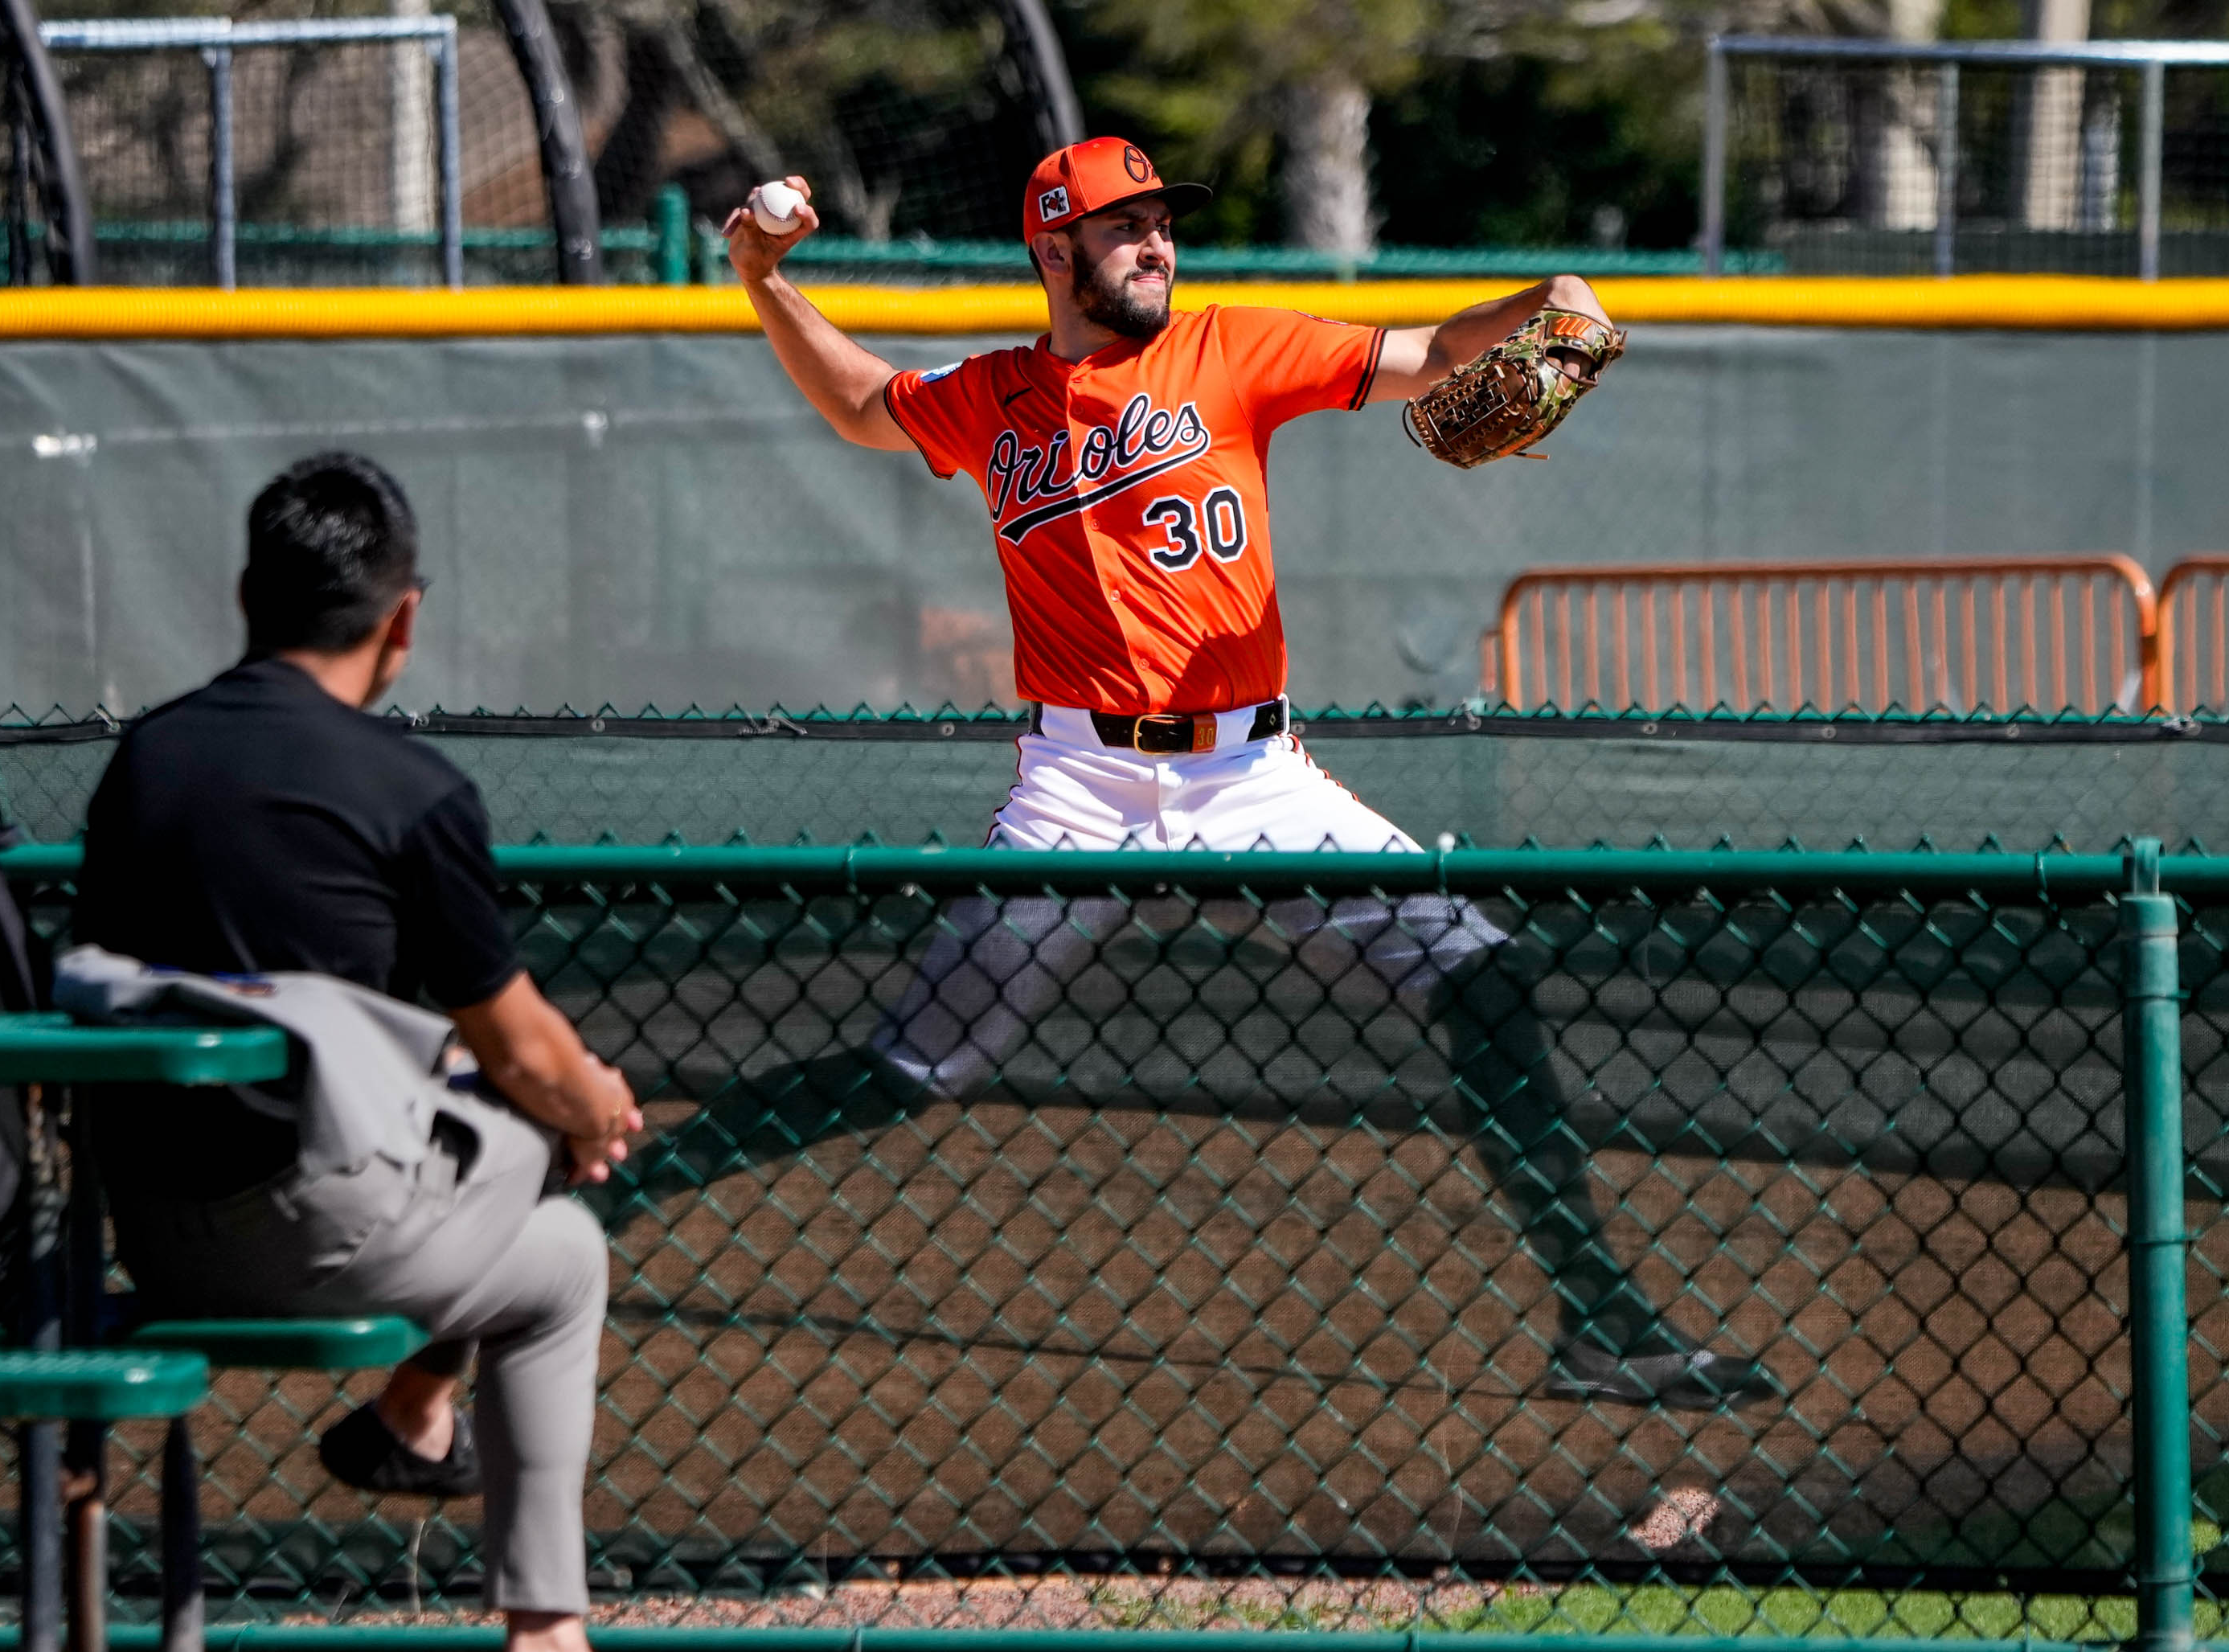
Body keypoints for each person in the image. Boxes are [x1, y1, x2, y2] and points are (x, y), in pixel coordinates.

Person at [711, 139, 1773, 1408]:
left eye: (1163, 221)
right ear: (1053, 252)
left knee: (1481, 972)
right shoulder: (991, 395)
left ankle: (1603, 1321)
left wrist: (1544, 300)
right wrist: (763, 281)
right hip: (1076, 786)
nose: (1156, 242)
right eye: (1124, 226)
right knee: (917, 1066)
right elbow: (858, 403)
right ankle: (613, 1192)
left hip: (1254, 778)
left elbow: (1429, 357)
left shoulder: (1235, 348)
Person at [70, 453, 685, 1652]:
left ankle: (417, 1414)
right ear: (404, 616)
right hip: (321, 1237)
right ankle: (547, 1649)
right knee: (563, 1239)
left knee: (485, 1119)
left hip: (153, 1231)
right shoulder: (411, 790)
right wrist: (598, 1114)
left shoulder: (146, 761)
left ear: (247, 594)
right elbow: (523, 1049)